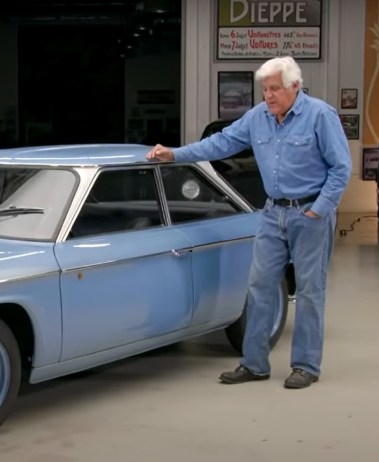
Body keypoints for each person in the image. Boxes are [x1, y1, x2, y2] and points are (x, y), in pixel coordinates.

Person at [146, 56, 352, 389]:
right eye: (265, 89)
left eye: (275, 89)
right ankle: (254, 363)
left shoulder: (320, 116)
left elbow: (341, 168)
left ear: (295, 87)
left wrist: (320, 209)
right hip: (272, 214)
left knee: (311, 291)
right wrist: (175, 154)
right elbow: (221, 143)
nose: (268, 96)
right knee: (259, 286)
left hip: (310, 214)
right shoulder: (258, 118)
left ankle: (306, 366)